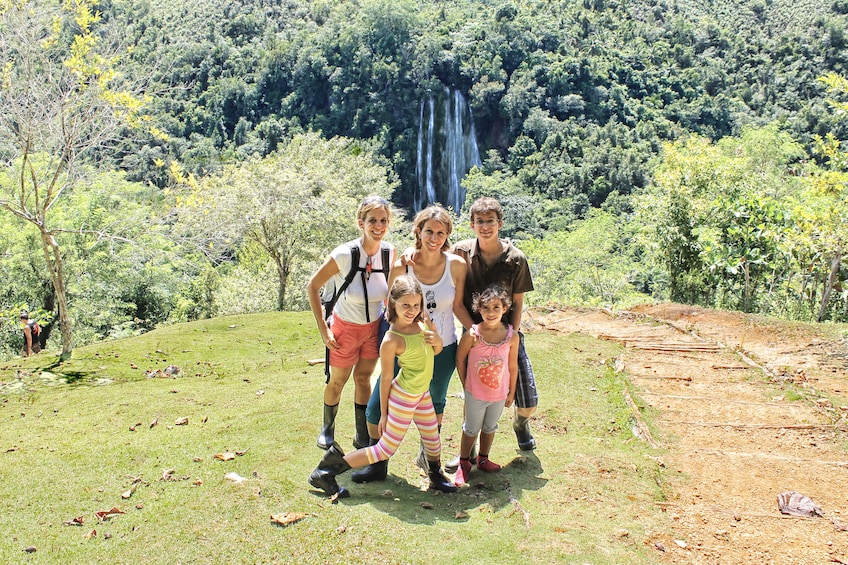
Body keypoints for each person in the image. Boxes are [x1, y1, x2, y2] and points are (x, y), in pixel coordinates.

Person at [351, 205, 471, 483]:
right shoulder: (402, 265)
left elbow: (458, 306)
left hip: (442, 346)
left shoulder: (457, 265)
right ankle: (378, 464)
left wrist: (476, 329)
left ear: (447, 235)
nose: (434, 237)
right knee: (377, 406)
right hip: (403, 345)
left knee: (436, 404)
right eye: (429, 231)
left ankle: (433, 467)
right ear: (418, 231)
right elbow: (389, 309)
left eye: (441, 232)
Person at [308, 275, 457, 497]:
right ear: (393, 303)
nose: (411, 310)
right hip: (404, 396)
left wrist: (436, 341)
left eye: (416, 305)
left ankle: (435, 474)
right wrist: (385, 414)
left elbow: (434, 351)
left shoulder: (423, 322)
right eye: (405, 305)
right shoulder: (392, 339)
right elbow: (386, 378)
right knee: (385, 449)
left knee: (432, 439)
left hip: (421, 394)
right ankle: (326, 471)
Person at [449, 196, 539, 460]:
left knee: (527, 397)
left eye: (490, 221)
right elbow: (431, 253)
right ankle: (469, 452)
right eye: (480, 222)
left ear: (500, 223)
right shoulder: (461, 253)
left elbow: (519, 304)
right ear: (471, 224)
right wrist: (474, 331)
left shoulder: (516, 259)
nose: (485, 227)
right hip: (473, 334)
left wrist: (509, 335)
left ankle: (521, 422)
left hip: (506, 334)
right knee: (474, 392)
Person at [306, 196, 395, 450]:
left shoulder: (389, 252)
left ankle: (361, 435)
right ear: (360, 222)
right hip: (344, 327)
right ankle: (327, 429)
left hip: (373, 328)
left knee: (364, 378)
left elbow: (390, 293)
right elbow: (313, 286)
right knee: (338, 380)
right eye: (372, 221)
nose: (378, 226)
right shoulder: (345, 254)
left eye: (383, 221)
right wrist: (324, 329)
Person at [453, 285, 518, 486]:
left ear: (504, 309)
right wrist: (466, 385)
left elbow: (513, 366)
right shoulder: (472, 335)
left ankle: (483, 458)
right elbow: (460, 359)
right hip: (475, 394)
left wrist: (511, 392)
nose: (491, 313)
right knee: (471, 428)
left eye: (496, 307)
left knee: (490, 426)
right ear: (479, 310)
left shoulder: (511, 336)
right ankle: (464, 463)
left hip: (499, 394)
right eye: (486, 308)